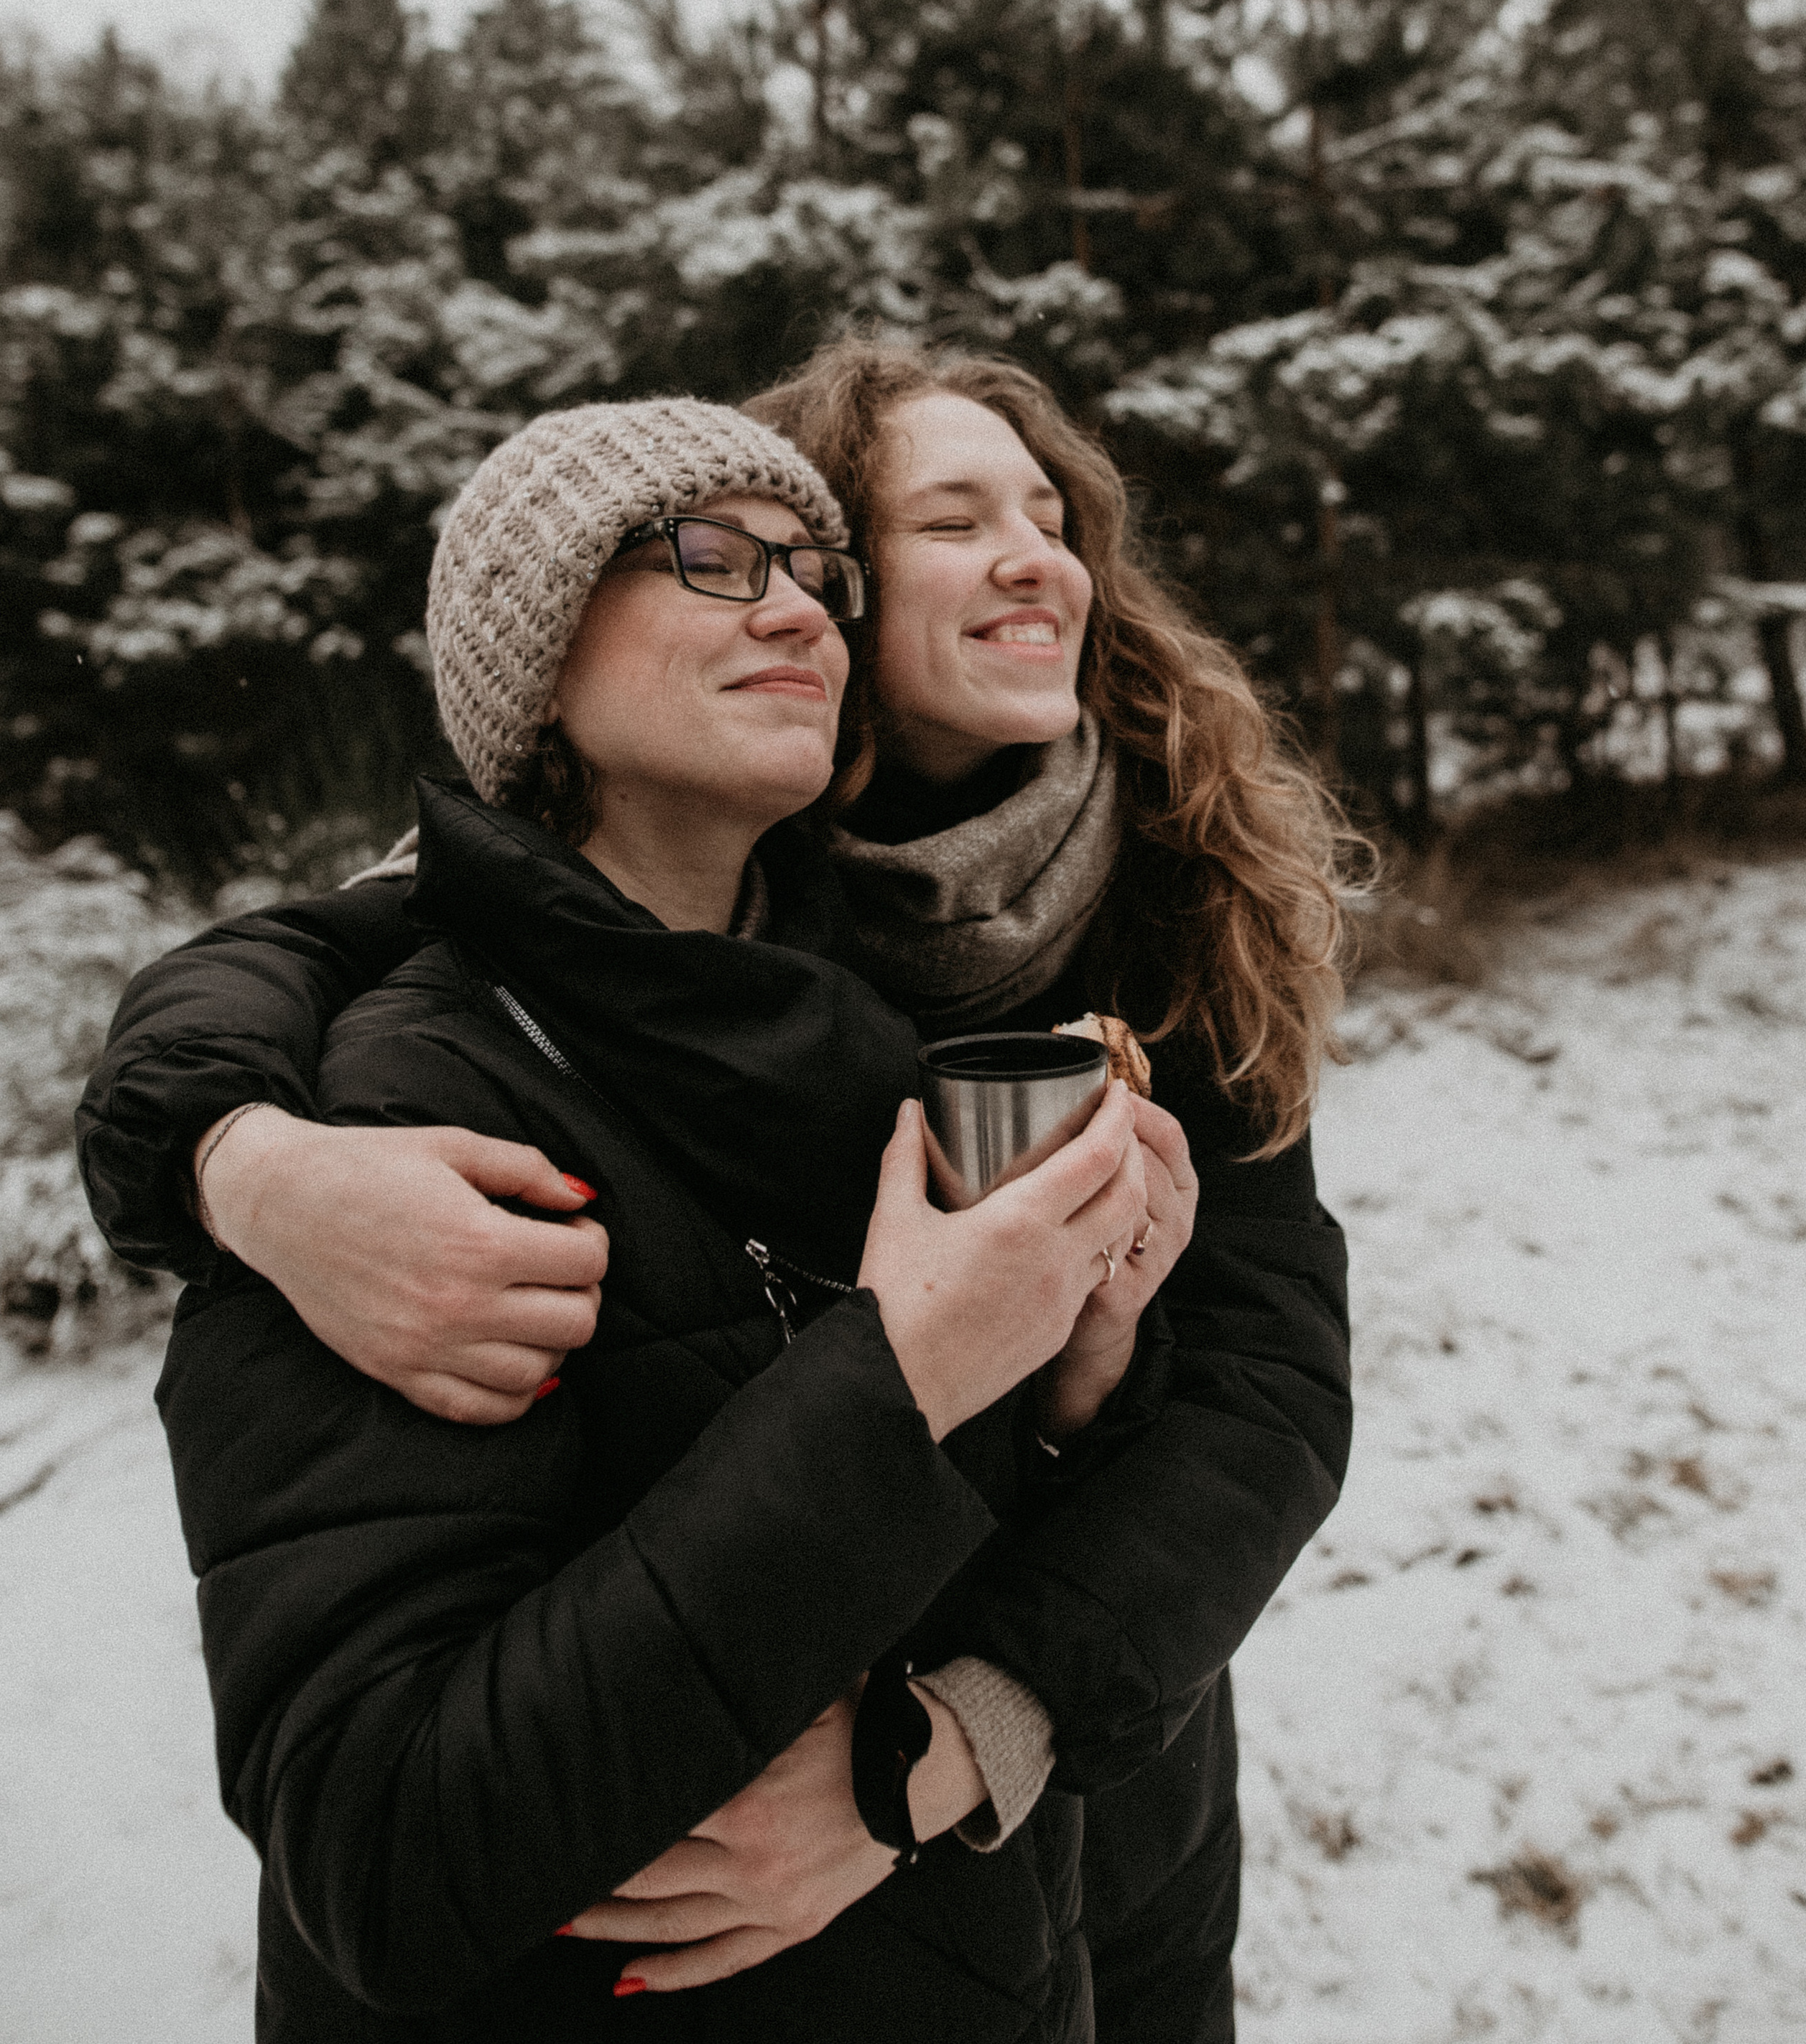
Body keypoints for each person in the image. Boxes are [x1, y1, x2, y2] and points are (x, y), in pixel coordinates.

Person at [80, 353, 1358, 2040]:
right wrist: (240, 1159)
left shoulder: (1155, 899)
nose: (1036, 559)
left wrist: (970, 1700)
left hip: (1093, 1782)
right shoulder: (619, 951)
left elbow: (1263, 1394)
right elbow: (357, 934)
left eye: (1054, 520)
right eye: (950, 519)